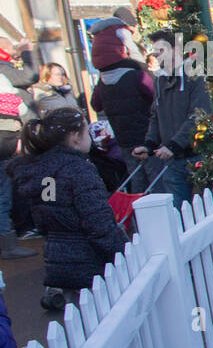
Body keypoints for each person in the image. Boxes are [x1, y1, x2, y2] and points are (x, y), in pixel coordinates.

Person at [7, 108, 126, 311]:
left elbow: (46, 211)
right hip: (89, 257)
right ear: (74, 137)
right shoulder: (79, 170)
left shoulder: (46, 173)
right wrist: (122, 251)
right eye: (87, 132)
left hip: (59, 255)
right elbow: (97, 223)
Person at [132, 31, 213, 209]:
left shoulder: (195, 76)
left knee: (205, 210)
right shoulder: (160, 81)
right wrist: (149, 144)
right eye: (155, 52)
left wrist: (175, 144)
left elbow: (200, 114)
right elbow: (156, 116)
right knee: (180, 214)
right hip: (173, 161)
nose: (156, 56)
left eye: (160, 51)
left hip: (197, 156)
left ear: (176, 50)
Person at [88, 17, 154, 158]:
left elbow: (96, 105)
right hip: (147, 138)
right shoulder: (137, 75)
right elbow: (158, 96)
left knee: (137, 178)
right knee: (156, 176)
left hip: (123, 141)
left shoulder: (103, 81)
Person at [0, 38, 37, 259]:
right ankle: (9, 244)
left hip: (9, 145)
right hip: (8, 147)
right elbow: (30, 76)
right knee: (4, 195)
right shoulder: (8, 95)